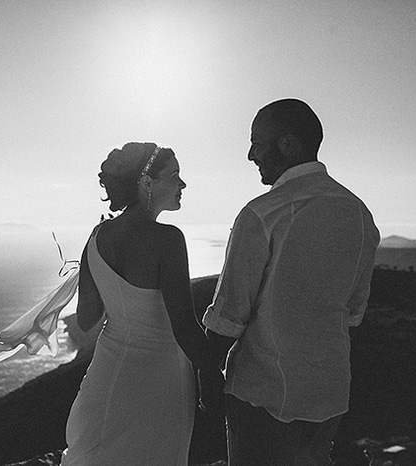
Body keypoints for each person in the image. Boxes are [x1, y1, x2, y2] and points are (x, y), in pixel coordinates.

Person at [199, 99, 380, 465]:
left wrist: (205, 381)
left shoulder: (263, 214)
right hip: (328, 397)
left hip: (261, 397)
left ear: (287, 144)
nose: (251, 154)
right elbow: (353, 313)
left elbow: (229, 317)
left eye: (257, 142)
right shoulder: (360, 215)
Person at [61, 142, 215, 465]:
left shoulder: (96, 237)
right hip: (160, 390)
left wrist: (96, 273)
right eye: (174, 176)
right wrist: (216, 370)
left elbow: (87, 318)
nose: (182, 184)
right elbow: (185, 328)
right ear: (147, 183)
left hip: (104, 385)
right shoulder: (169, 241)